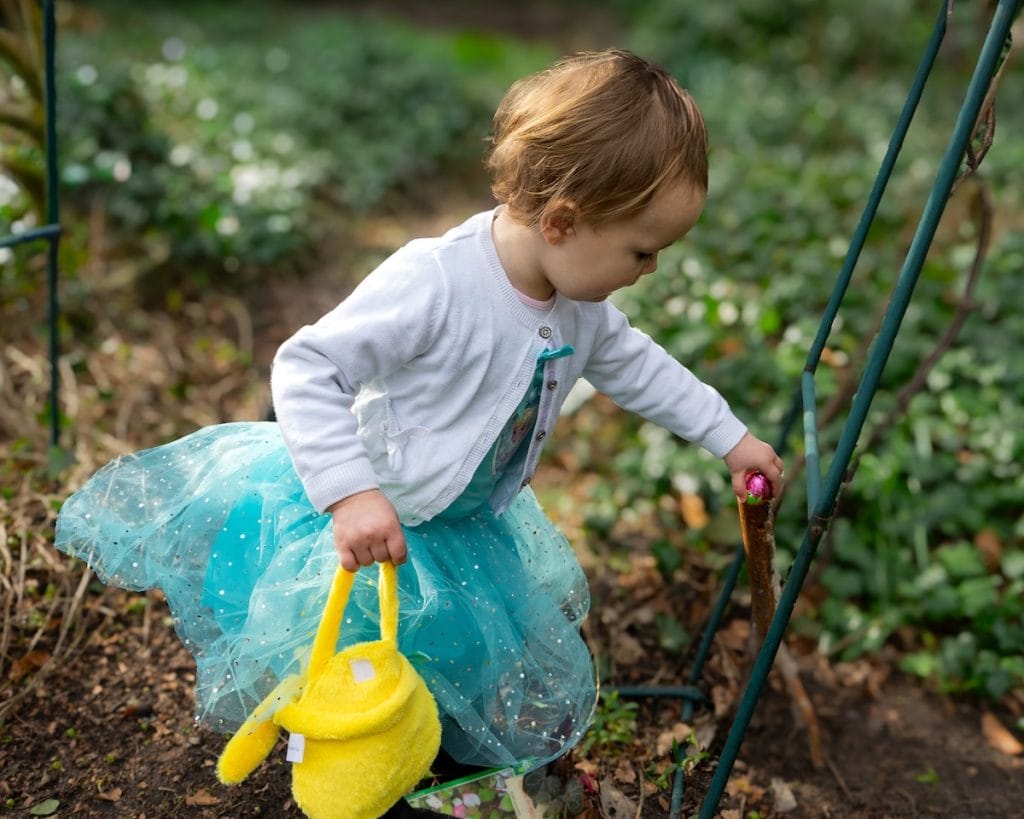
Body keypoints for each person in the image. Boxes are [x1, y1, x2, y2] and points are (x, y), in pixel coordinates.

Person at [55, 47, 783, 795]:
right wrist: (349, 492)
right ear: (564, 221)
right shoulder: (437, 281)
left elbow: (644, 369)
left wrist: (730, 438)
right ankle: (345, 759)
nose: (648, 269)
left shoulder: (584, 308)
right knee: (365, 641)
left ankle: (424, 749)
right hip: (377, 512)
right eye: (642, 250)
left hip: (462, 522)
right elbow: (308, 365)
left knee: (451, 644)